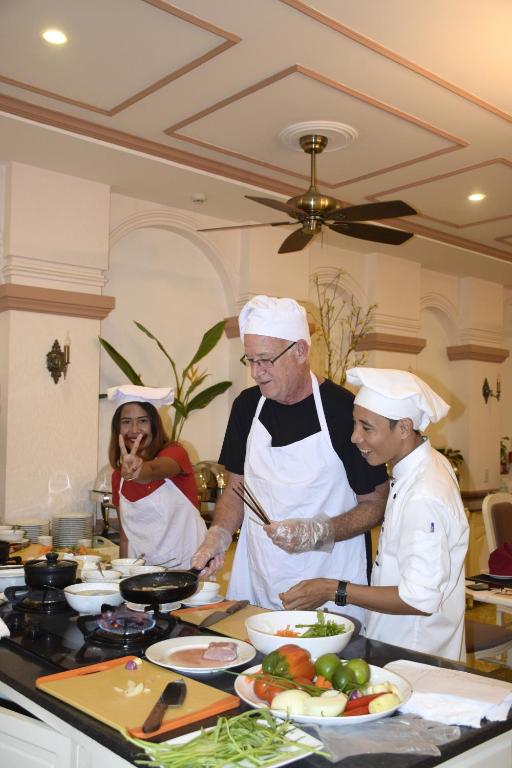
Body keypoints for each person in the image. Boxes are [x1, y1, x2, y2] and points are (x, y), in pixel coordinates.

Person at [191, 296, 389, 619]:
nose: (256, 372)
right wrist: (218, 536)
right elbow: (236, 490)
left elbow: (376, 503)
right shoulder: (246, 407)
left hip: (327, 586)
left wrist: (318, 532)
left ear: (300, 351)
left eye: (266, 360)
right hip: (258, 579)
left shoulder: (343, 411)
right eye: (250, 360)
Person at [280, 367, 469, 661]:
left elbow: (418, 598)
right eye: (355, 424)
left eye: (367, 428)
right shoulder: (422, 466)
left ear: (404, 428)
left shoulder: (424, 494)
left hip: (416, 654)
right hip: (398, 643)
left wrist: (333, 589)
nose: (355, 437)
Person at [108, 385, 206, 568]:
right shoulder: (118, 477)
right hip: (140, 574)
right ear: (117, 428)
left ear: (154, 424)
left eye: (143, 421)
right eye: (126, 422)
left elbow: (152, 471)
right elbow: (125, 537)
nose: (134, 429)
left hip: (187, 569)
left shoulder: (176, 454)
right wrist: (122, 574)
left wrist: (137, 470)